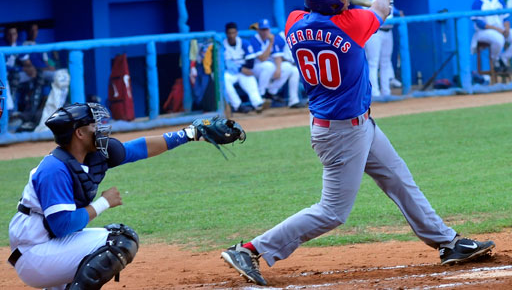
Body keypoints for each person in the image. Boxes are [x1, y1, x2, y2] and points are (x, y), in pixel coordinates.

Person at [221, 0, 495, 286]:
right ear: (337, 4)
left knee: (398, 178)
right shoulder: (354, 23)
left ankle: (448, 242)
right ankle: (251, 249)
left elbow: (329, 11)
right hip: (341, 133)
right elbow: (382, 5)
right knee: (332, 212)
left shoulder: (294, 20)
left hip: (351, 123)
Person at [7, 102, 242, 289]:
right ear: (79, 133)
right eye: (92, 125)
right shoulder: (54, 170)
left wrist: (190, 134)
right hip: (34, 255)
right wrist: (103, 203)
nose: (98, 129)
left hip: (50, 247)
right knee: (119, 239)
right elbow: (62, 225)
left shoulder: (92, 156)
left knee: (113, 237)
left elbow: (138, 148)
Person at [362, 0, 403, 97]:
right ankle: (375, 92)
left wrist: (398, 12)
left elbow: (392, 8)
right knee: (373, 62)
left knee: (386, 61)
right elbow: (361, 8)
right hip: (375, 31)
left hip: (388, 30)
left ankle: (386, 91)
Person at [249, 19, 303, 108]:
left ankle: (272, 92)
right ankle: (262, 94)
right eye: (262, 29)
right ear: (258, 30)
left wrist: (278, 69)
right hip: (257, 68)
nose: (265, 32)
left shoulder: (272, 38)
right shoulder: (255, 39)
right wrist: (271, 43)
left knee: (289, 68)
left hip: (269, 69)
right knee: (268, 66)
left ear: (269, 29)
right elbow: (262, 58)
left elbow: (277, 56)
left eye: (266, 29)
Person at [471, 0, 512, 72]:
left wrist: (507, 29)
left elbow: (506, 17)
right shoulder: (478, 1)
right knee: (499, 38)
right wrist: (499, 30)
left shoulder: (499, 0)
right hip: (484, 32)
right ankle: (495, 61)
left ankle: (503, 58)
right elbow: (480, 23)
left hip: (500, 29)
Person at [223, 22, 267, 114]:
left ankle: (258, 104)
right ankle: (238, 106)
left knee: (250, 79)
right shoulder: (222, 45)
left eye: (233, 33)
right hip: (230, 73)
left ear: (237, 33)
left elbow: (251, 63)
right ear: (226, 33)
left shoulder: (244, 43)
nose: (231, 35)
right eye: (229, 33)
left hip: (244, 71)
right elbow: (225, 64)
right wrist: (240, 69)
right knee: (224, 80)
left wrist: (242, 69)